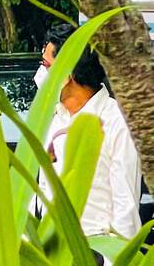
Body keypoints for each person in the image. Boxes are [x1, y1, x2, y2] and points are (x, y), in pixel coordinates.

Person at [36, 24, 141, 250]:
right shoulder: (53, 118)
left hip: (95, 253)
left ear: (67, 73)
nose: (40, 73)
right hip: (53, 254)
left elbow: (126, 206)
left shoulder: (116, 122)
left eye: (46, 65)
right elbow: (42, 190)